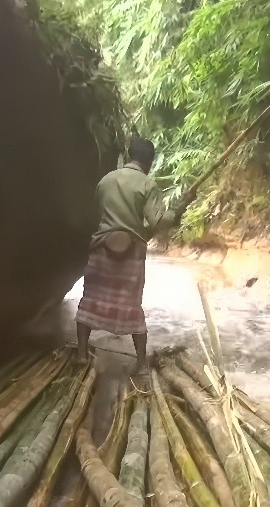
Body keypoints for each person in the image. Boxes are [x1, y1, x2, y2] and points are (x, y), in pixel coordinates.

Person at [75, 137, 194, 374]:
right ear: (149, 161)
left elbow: (99, 215)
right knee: (131, 304)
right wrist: (181, 206)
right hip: (130, 253)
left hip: (101, 248)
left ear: (129, 155)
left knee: (91, 298)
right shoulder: (147, 185)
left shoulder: (105, 181)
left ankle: (80, 353)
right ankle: (140, 364)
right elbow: (158, 221)